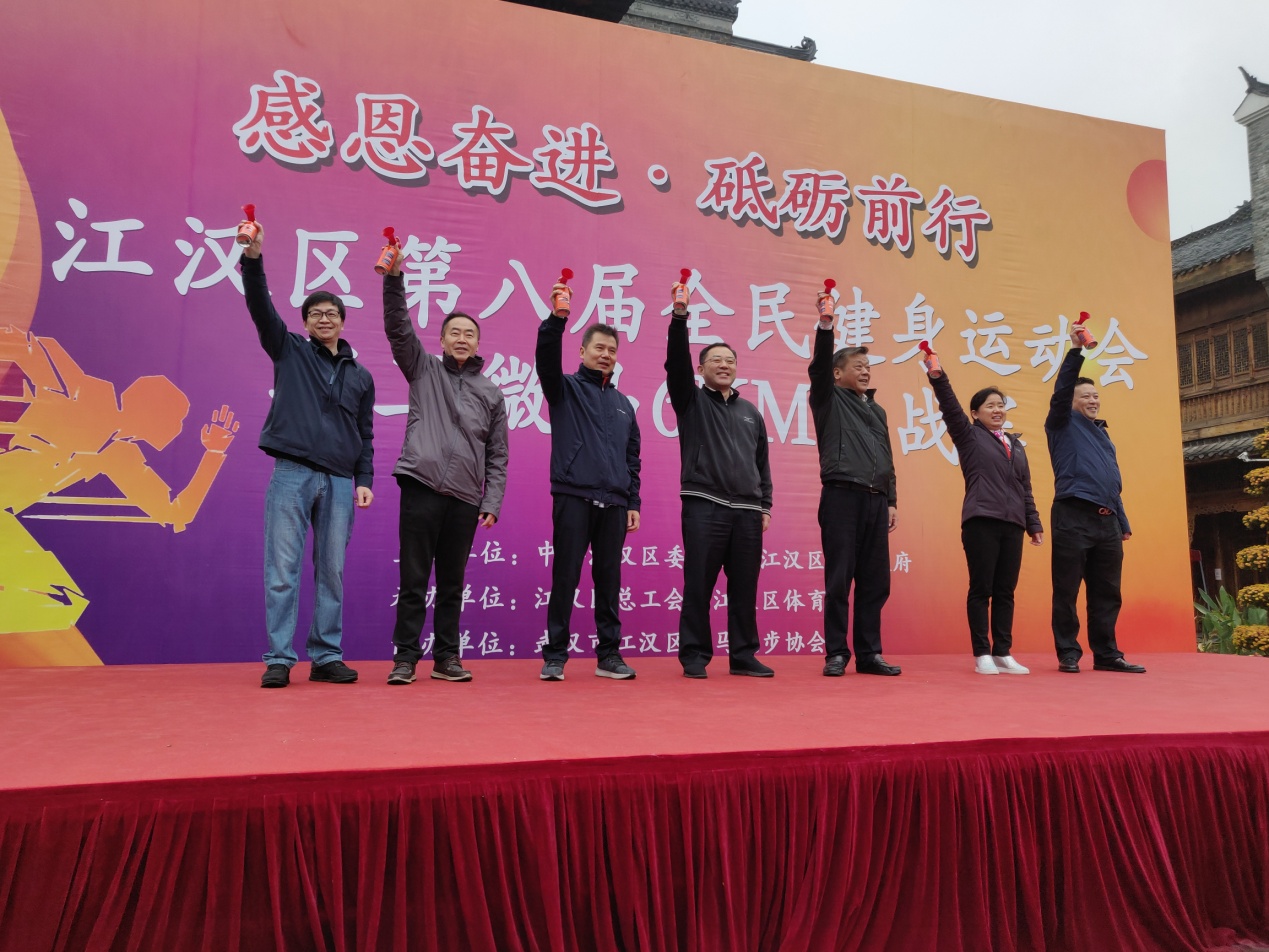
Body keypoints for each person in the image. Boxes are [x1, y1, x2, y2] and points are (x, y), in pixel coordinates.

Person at [240, 221, 375, 688]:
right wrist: (253, 258)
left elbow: (365, 433)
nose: (324, 319)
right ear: (304, 323)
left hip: (339, 480)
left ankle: (326, 656)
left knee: (331, 572)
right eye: (315, 313)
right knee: (282, 570)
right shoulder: (289, 350)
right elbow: (260, 307)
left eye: (331, 313)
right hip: (291, 473)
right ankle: (279, 658)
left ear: (342, 321)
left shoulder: (361, 376)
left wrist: (364, 480)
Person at [381, 255, 508, 686]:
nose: (462, 338)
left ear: (478, 343)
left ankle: (447, 658)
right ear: (441, 339)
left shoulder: (491, 393)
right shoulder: (423, 369)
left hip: (466, 498)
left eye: (469, 334)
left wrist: (491, 501)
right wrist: (394, 279)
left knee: (452, 583)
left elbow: (498, 454)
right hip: (421, 485)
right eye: (455, 332)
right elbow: (399, 329)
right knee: (414, 579)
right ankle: (405, 659)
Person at [664, 280, 774, 679]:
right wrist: (680, 317)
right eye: (715, 360)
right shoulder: (691, 400)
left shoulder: (751, 413)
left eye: (730, 360)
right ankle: (694, 656)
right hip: (704, 505)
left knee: (744, 588)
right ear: (700, 369)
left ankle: (743, 655)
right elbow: (675, 364)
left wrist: (765, 506)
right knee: (699, 584)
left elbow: (762, 463)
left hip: (747, 512)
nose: (724, 365)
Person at [536, 287, 641, 682]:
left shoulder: (624, 405)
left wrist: (633, 501)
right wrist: (556, 320)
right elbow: (545, 358)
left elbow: (633, 459)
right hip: (574, 497)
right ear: (582, 352)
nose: (606, 354)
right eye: (599, 348)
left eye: (612, 350)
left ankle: (609, 655)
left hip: (614, 503)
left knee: (609, 582)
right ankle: (555, 656)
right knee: (565, 577)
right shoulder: (564, 389)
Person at [923, 361, 1043, 674]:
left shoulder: (1015, 445)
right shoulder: (969, 436)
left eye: (1001, 405)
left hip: (1013, 523)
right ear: (975, 413)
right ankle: (982, 654)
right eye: (990, 406)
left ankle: (1003, 652)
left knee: (1006, 591)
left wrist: (1033, 524)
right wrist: (938, 376)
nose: (997, 410)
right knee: (981, 589)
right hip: (981, 520)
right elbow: (950, 407)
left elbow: (1025, 488)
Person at [807, 293, 901, 677]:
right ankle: (836, 653)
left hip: (876, 502)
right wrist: (826, 325)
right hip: (841, 497)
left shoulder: (877, 410)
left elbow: (887, 458)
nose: (865, 372)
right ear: (837, 374)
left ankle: (869, 653)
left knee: (875, 582)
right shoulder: (827, 399)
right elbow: (817, 366)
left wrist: (891, 500)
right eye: (857, 366)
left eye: (868, 367)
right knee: (839, 580)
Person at [1045, 333, 1146, 674]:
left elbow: (1111, 482)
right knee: (1067, 588)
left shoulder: (1102, 434)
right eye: (1086, 396)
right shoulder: (1061, 422)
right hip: (1073, 514)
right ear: (1071, 401)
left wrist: (1122, 521)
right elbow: (1061, 391)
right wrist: (1075, 351)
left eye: (1096, 395)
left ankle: (1106, 654)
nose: (1093, 400)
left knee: (1107, 592)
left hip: (1107, 522)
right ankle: (1068, 652)